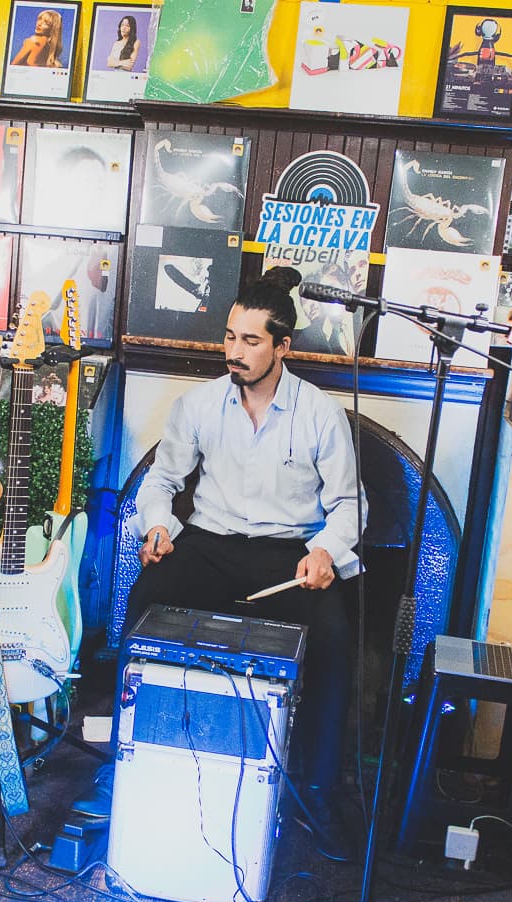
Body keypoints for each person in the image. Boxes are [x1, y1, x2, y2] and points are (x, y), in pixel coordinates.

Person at [73, 267, 366, 862]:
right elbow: (162, 480)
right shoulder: (199, 405)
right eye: (231, 337)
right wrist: (158, 525)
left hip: (289, 553)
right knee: (145, 599)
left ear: (283, 347)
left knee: (335, 632)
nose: (234, 351)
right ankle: (122, 758)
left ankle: (318, 788)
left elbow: (349, 506)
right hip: (210, 543)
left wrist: (324, 553)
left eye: (251, 341)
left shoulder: (320, 414)